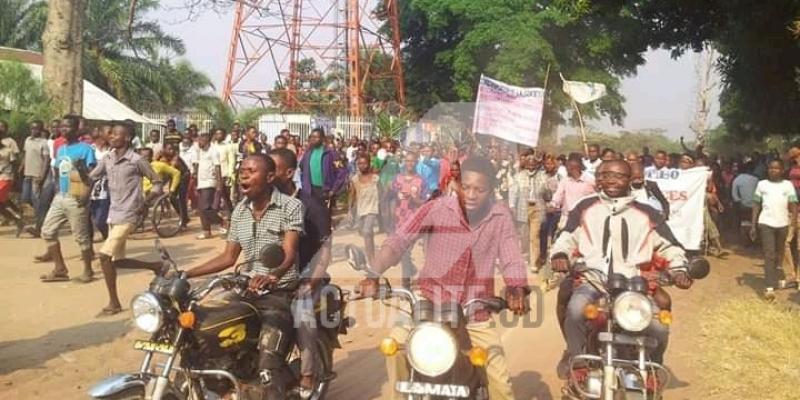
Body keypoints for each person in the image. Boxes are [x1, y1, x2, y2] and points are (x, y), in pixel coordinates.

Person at [357, 156, 529, 400]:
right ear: (457, 183)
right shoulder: (437, 208)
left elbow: (511, 257)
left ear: (491, 190)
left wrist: (516, 288)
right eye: (465, 187)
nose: (470, 194)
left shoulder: (500, 217)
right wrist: (373, 274)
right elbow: (399, 240)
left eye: (479, 189)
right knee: (394, 349)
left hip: (474, 311)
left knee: (500, 382)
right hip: (427, 301)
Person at [550, 160, 692, 378]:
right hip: (592, 281)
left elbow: (670, 246)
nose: (611, 180)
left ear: (629, 180)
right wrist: (560, 255)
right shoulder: (585, 207)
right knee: (575, 309)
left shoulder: (646, 213)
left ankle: (652, 368)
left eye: (618, 176)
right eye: (605, 175)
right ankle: (577, 362)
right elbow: (567, 237)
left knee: (659, 327)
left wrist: (680, 269)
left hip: (634, 286)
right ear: (597, 179)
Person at [184, 154, 303, 398]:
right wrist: (185, 273)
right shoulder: (240, 210)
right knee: (204, 335)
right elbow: (228, 257)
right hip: (245, 291)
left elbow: (289, 253)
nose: (243, 175)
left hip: (278, 294)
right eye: (241, 171)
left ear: (270, 177)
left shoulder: (291, 206)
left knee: (268, 368)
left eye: (250, 171)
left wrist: (273, 275)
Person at [89, 122, 165, 315]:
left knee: (104, 256)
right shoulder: (108, 158)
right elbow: (92, 177)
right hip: (114, 213)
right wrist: (80, 171)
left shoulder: (136, 160)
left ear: (127, 138)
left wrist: (146, 203)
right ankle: (155, 265)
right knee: (117, 260)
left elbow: (157, 182)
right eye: (111, 134)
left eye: (116, 134)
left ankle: (113, 302)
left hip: (130, 214)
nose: (111, 137)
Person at [36, 115, 96, 283]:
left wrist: (85, 194)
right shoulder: (61, 149)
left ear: (77, 129)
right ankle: (60, 268)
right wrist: (57, 189)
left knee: (81, 237)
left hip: (77, 195)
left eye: (68, 126)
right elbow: (57, 170)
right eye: (62, 126)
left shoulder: (86, 149)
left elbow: (93, 176)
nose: (63, 129)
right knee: (47, 231)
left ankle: (88, 271)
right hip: (61, 196)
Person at [751, 159, 798, 300]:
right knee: (769, 254)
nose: (773, 170)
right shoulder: (761, 185)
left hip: (783, 224)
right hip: (766, 223)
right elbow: (756, 204)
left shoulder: (788, 185)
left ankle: (776, 276)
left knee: (779, 254)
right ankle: (769, 287)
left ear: (782, 170)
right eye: (771, 168)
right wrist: (753, 225)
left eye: (776, 168)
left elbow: (793, 204)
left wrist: (794, 222)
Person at [509, 150, 549, 271]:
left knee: (534, 236)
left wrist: (545, 189)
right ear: (525, 164)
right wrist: (512, 206)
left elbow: (547, 194)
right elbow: (513, 192)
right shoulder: (518, 176)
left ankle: (534, 263)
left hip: (538, 208)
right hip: (523, 207)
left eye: (533, 163)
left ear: (537, 165)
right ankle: (525, 257)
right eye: (529, 163)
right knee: (524, 236)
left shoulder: (543, 176)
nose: (531, 165)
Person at [393, 151, 425, 289]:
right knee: (402, 250)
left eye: (412, 161)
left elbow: (425, 202)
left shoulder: (421, 181)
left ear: (417, 162)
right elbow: (392, 197)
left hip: (414, 220)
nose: (410, 163)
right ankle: (410, 271)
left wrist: (414, 199)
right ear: (404, 162)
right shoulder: (398, 179)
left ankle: (405, 283)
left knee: (406, 250)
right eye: (407, 160)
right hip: (400, 219)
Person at [348, 154, 380, 264]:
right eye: (359, 163)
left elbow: (383, 192)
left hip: (373, 209)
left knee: (367, 231)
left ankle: (371, 259)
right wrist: (349, 211)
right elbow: (352, 195)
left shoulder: (376, 178)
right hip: (361, 209)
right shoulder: (355, 179)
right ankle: (371, 253)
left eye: (364, 163)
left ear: (369, 164)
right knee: (365, 233)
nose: (362, 166)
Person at [550, 154, 596, 229]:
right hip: (567, 217)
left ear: (576, 168)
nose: (567, 170)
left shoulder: (590, 181)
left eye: (569, 168)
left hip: (584, 219)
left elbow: (596, 197)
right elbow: (558, 195)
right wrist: (553, 204)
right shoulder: (565, 181)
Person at [194, 132, 225, 239]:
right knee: (201, 209)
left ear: (207, 140)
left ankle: (223, 222)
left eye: (201, 141)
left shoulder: (213, 151)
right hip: (201, 182)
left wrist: (219, 184)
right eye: (198, 140)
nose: (199, 143)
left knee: (206, 208)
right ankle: (206, 231)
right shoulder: (200, 151)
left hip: (210, 182)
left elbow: (217, 167)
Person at [19, 120, 50, 219]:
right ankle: (41, 213)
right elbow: (25, 154)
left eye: (36, 129)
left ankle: (40, 219)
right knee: (25, 198)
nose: (33, 131)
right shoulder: (27, 140)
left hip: (37, 174)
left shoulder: (43, 142)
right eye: (32, 128)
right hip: (27, 173)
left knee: (35, 197)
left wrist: (42, 175)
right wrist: (21, 167)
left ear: (40, 130)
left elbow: (46, 160)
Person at [0, 120, 24, 235]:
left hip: (6, 177)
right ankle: (17, 220)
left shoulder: (9, 147)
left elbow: (15, 163)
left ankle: (16, 215)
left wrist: (16, 177)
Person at [89, 126, 112, 240]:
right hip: (90, 186)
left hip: (106, 187)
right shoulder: (90, 149)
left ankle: (108, 238)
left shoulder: (112, 151)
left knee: (100, 220)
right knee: (90, 215)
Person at [162, 142, 191, 229]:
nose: (171, 151)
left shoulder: (176, 158)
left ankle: (184, 221)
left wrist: (162, 183)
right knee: (172, 198)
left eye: (172, 149)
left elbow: (170, 171)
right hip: (174, 177)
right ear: (164, 149)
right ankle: (184, 217)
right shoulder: (162, 155)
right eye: (169, 149)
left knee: (181, 199)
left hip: (183, 177)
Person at [212, 128, 235, 218]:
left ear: (224, 135)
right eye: (217, 134)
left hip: (224, 174)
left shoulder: (228, 146)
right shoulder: (212, 146)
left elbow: (231, 161)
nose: (218, 136)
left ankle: (231, 213)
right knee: (216, 194)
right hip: (213, 174)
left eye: (220, 134)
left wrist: (229, 174)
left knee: (225, 195)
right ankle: (215, 213)